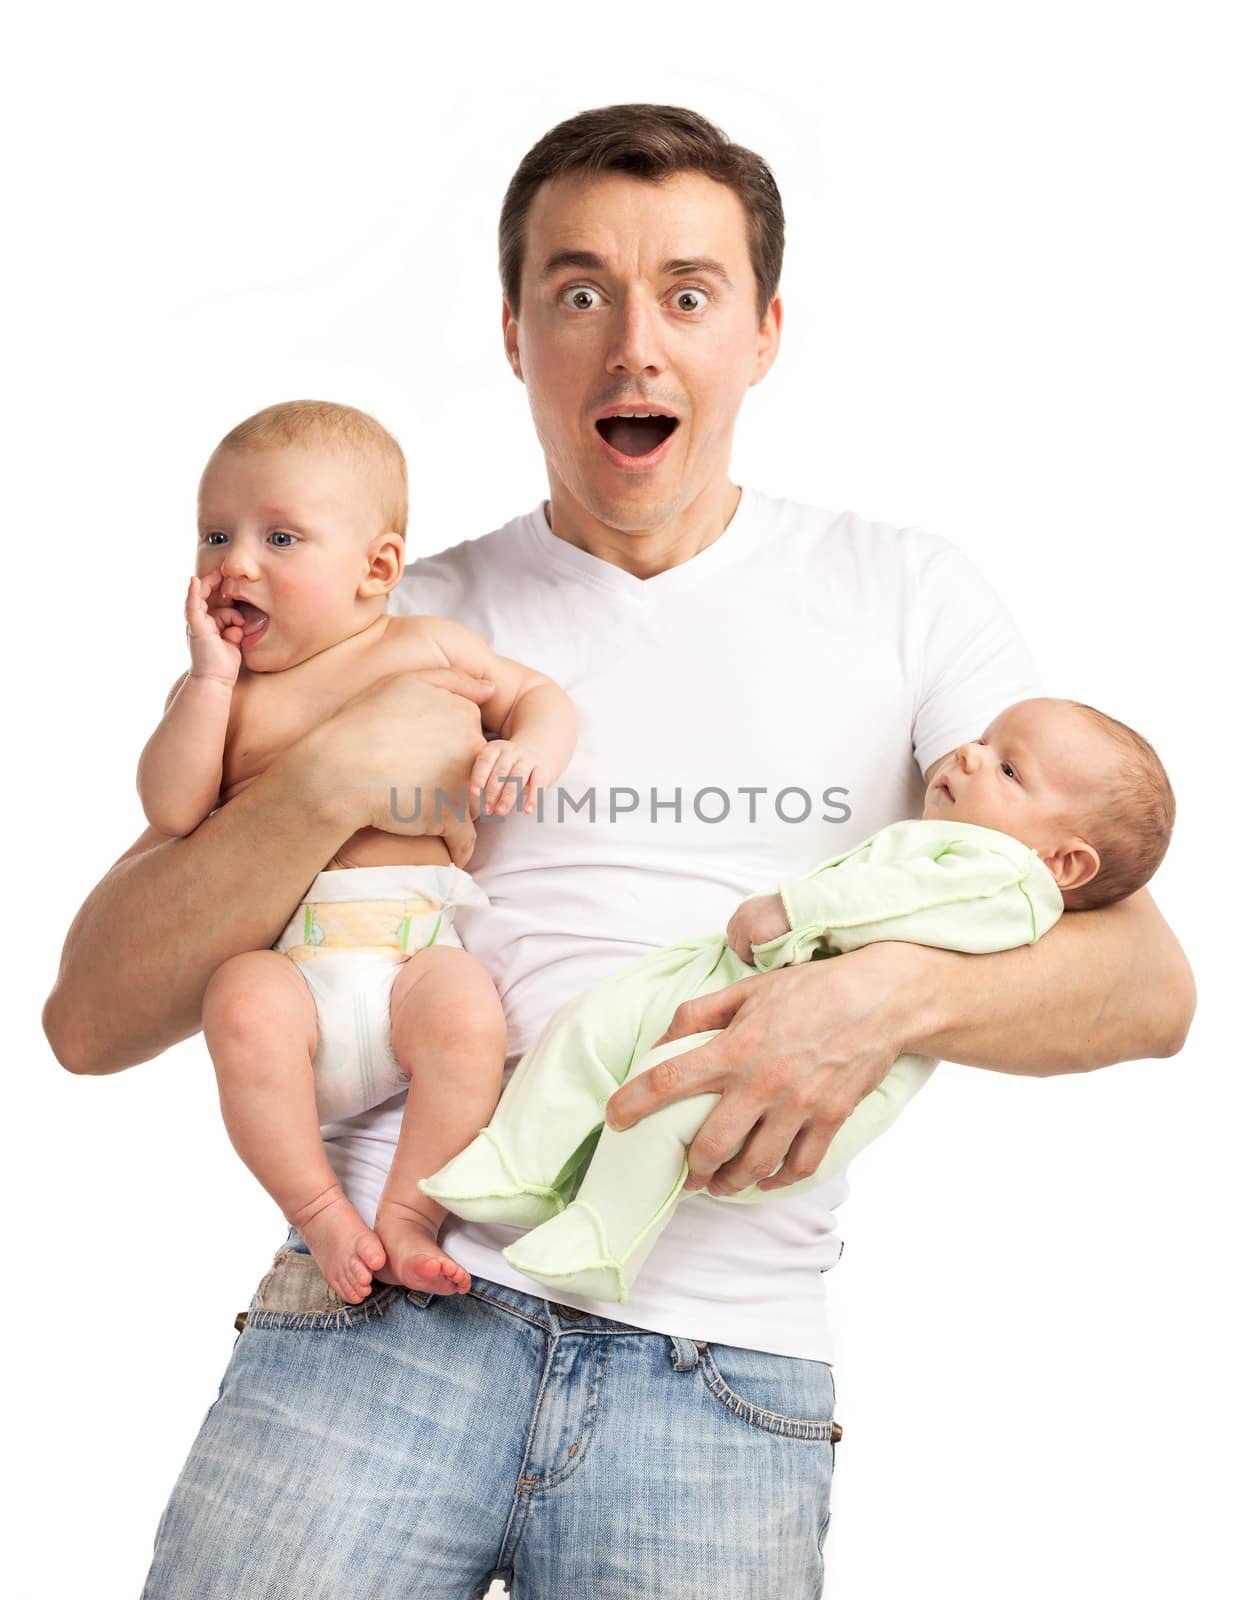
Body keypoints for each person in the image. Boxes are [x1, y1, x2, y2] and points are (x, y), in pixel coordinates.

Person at [44, 105, 1194, 1599]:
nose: (633, 345)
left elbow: (1146, 982)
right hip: (379, 1316)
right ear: (516, 334)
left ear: (765, 332)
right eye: (579, 292)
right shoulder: (390, 625)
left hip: (723, 1375)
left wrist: (868, 1004)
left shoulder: (905, 595)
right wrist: (322, 773)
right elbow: (89, 1017)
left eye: (689, 294)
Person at [423, 696, 1175, 1305]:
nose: (971, 754)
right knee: (593, 1022)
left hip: (796, 1065)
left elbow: (891, 902)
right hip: (724, 981)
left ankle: (602, 1237)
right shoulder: (947, 841)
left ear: (1064, 862)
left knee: (669, 1108)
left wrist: (797, 908)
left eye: (1008, 769)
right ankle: (520, 1163)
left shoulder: (1008, 882)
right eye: (981, 738)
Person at [137, 399, 578, 1306]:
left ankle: (408, 1213)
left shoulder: (424, 649)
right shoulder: (224, 697)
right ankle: (319, 1208)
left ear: (377, 568)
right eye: (213, 535)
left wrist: (527, 748)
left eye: (280, 538)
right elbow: (173, 808)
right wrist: (208, 685)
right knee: (239, 997)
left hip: (412, 963)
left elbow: (540, 696)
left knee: (468, 1012)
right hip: (297, 979)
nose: (235, 563)